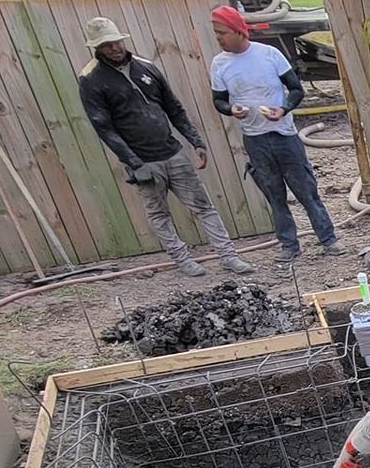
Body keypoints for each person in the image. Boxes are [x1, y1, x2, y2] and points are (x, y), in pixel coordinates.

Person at [76, 16, 250, 278]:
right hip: (143, 160)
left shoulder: (146, 68)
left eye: (116, 42)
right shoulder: (91, 79)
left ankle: (228, 256)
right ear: (97, 48)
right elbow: (103, 127)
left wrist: (195, 140)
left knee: (203, 206)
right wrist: (133, 161)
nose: (114, 48)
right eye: (107, 45)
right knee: (159, 214)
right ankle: (182, 259)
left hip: (172, 151)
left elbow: (173, 107)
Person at [207, 5, 341, 264]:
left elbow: (296, 89)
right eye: (216, 33)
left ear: (238, 31)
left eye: (222, 32)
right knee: (274, 194)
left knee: (306, 190)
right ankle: (289, 245)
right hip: (255, 139)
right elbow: (219, 101)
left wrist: (283, 109)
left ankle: (328, 239)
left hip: (283, 135)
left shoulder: (269, 55)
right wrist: (231, 109)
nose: (218, 38)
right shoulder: (219, 64)